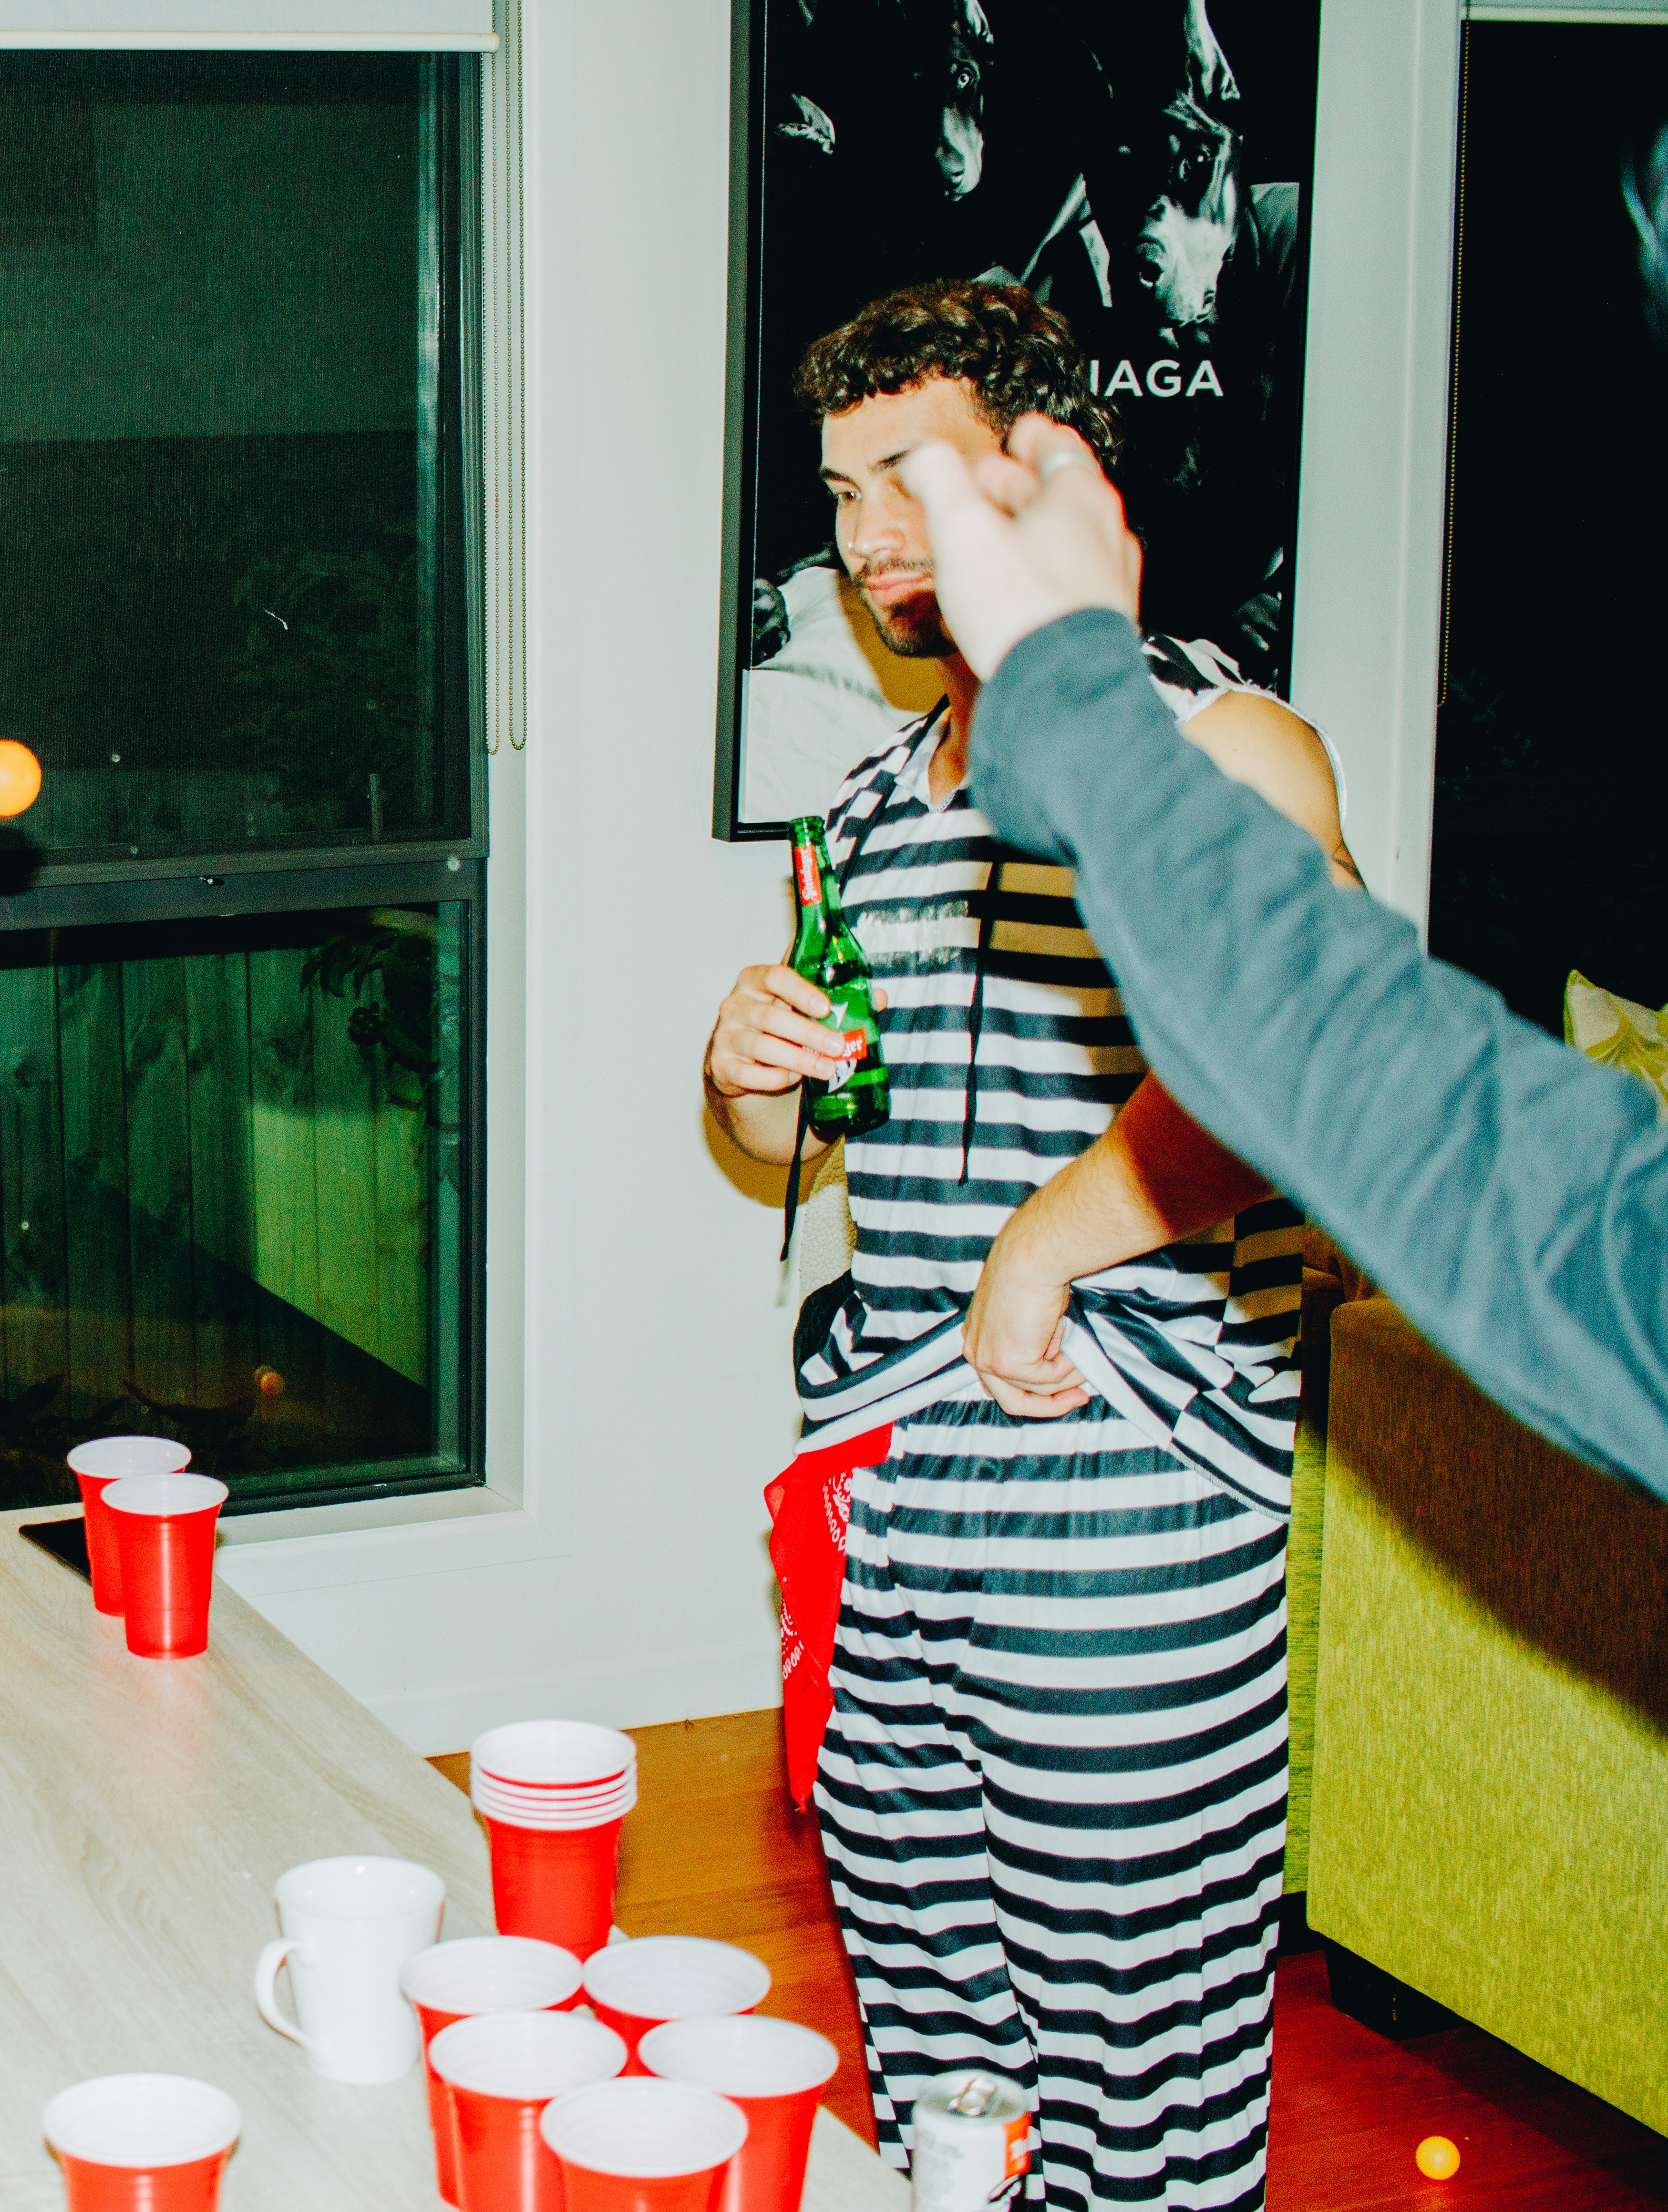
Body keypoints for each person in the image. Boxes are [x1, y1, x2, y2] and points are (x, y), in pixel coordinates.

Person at [703, 281, 1347, 2207]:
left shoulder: (1226, 743)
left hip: (1127, 1486)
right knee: (930, 2016)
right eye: (838, 494)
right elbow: (814, 1155)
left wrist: (1046, 1243)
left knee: (1131, 2019)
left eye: (907, 475)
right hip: (894, 1480)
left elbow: (1301, 1064)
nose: (869, 536)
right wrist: (741, 1079)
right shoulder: (863, 813)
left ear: (1049, 467)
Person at [890, 413, 1668, 1496]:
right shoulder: (871, 800)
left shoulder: (1245, 736)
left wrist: (1076, 707)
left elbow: (1435, 1143)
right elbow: (1533, 1202)